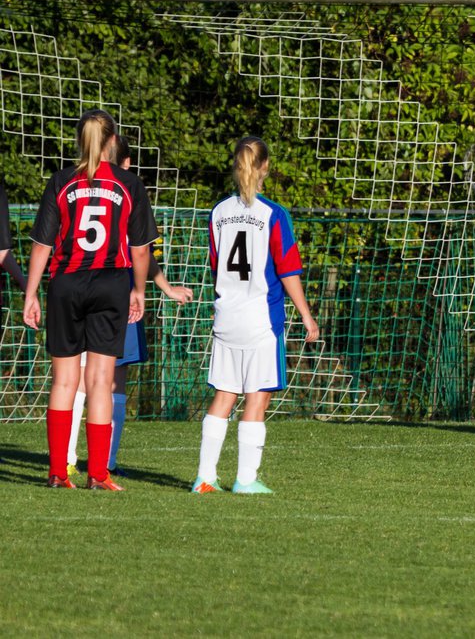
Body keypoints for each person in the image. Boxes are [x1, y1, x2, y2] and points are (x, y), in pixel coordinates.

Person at [24, 109, 159, 490]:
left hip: (66, 282)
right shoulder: (129, 184)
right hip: (111, 283)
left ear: (80, 140)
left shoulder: (61, 181)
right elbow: (141, 250)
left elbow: (42, 245)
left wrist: (31, 294)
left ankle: (57, 472)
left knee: (64, 380)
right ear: (113, 141)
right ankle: (98, 475)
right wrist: (139, 290)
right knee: (100, 380)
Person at [192, 136, 319, 494]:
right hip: (261, 319)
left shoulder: (218, 212)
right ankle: (246, 479)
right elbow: (288, 271)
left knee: (224, 395)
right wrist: (306, 315)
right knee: (257, 396)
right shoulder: (273, 214)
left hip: (226, 317)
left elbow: (218, 266)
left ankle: (204, 477)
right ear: (265, 168)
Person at [65, 136, 194, 478]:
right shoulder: (128, 191)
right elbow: (141, 251)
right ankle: (104, 462)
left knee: (76, 377)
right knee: (113, 380)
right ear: (124, 163)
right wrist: (158, 288)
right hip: (118, 291)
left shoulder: (73, 185)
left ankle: (65, 458)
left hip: (76, 287)